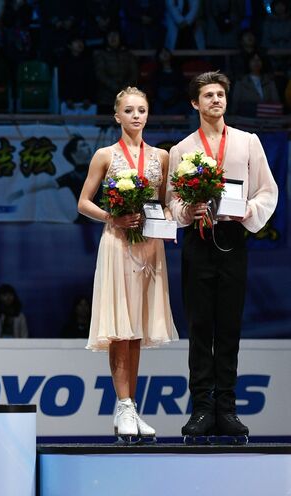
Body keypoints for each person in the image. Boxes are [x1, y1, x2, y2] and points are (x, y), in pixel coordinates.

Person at [166, 71, 278, 443]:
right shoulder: (182, 149)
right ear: (195, 104)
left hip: (233, 239)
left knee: (229, 327)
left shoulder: (248, 142)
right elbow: (172, 202)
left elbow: (268, 191)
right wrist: (188, 211)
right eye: (208, 95)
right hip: (198, 243)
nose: (216, 100)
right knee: (200, 328)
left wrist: (247, 210)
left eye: (220, 94)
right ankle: (201, 408)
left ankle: (226, 409)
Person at [78, 87, 179, 443]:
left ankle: (132, 406)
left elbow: (166, 202)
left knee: (136, 330)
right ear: (117, 115)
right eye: (129, 110)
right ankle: (121, 404)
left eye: (142, 110)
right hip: (117, 243)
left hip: (150, 247)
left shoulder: (162, 157)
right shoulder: (105, 155)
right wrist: (112, 217)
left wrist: (167, 222)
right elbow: (83, 203)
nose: (136, 116)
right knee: (120, 328)